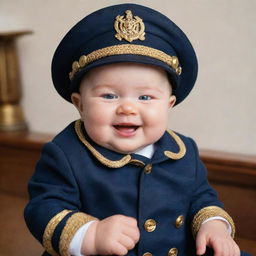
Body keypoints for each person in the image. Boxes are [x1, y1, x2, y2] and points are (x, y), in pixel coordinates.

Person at [24, 3, 250, 256]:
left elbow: (201, 198)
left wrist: (214, 226)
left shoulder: (183, 150)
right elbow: (44, 208)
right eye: (109, 96)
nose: (128, 109)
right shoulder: (66, 154)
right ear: (80, 104)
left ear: (168, 104)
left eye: (145, 98)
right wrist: (91, 234)